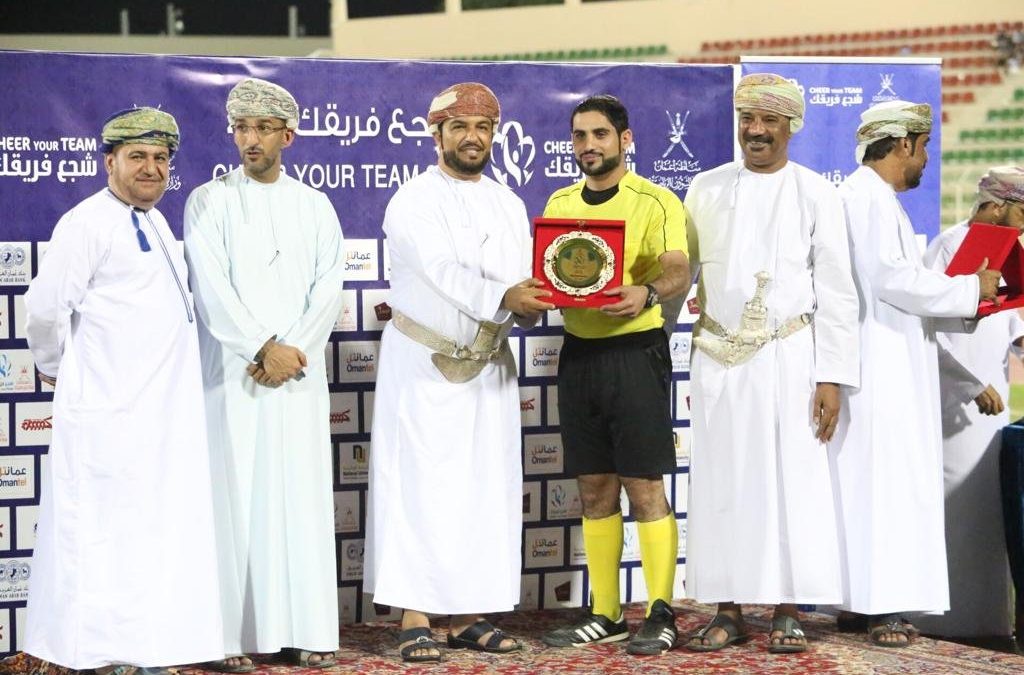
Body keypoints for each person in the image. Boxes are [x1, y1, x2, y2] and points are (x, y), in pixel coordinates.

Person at [23, 107, 224, 674]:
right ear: (109, 161)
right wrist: (58, 369)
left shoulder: (156, 222)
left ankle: (143, 651)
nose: (151, 168)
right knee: (103, 539)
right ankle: (95, 655)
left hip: (161, 419)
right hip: (107, 415)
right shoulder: (86, 223)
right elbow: (44, 310)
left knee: (149, 536)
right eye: (137, 157)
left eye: (161, 158)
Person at [364, 81, 553, 664]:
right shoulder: (413, 199)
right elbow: (443, 271)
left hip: (490, 365)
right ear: (437, 133)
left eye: (483, 128)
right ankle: (416, 617)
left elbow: (520, 278)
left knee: (484, 490)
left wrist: (534, 301)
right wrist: (506, 297)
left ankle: (469, 615)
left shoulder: (508, 203)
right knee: (420, 488)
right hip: (426, 366)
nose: (473, 138)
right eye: (461, 127)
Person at [682, 73, 860, 654]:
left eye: (769, 120)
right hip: (718, 359)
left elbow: (838, 292)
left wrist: (832, 377)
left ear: (792, 126)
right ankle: (727, 608)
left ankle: (787, 608)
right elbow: (682, 271)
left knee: (792, 481)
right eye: (748, 119)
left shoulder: (817, 192)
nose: (756, 131)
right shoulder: (704, 188)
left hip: (789, 356)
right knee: (722, 479)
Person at [184, 77, 345, 672]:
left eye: (263, 129)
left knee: (299, 500)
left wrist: (292, 351)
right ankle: (228, 637)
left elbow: (329, 287)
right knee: (234, 501)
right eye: (242, 128)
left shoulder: (315, 205)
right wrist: (262, 346)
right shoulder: (208, 201)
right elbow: (211, 288)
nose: (250, 139)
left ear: (287, 136)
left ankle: (304, 631)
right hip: (235, 375)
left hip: (295, 378)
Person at [832, 100, 1001, 647]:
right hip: (877, 371)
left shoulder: (874, 199)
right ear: (903, 143)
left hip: (887, 362)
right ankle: (881, 607)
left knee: (873, 487)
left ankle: (861, 603)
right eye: (924, 146)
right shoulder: (867, 200)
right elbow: (893, 281)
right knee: (883, 488)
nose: (926, 158)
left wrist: (969, 299)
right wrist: (970, 289)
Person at [539, 95, 690, 656]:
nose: (589, 145)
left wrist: (647, 291)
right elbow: (551, 270)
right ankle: (606, 613)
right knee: (593, 486)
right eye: (580, 136)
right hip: (578, 353)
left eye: (600, 134)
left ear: (624, 140)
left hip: (635, 353)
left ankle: (661, 611)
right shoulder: (558, 201)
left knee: (644, 485)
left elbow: (678, 269)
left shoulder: (656, 199)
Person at [914, 166, 1024, 639]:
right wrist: (970, 385)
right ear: (995, 206)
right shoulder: (946, 248)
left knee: (986, 513)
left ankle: (986, 624)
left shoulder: (1013, 252)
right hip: (948, 405)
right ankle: (937, 621)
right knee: (949, 508)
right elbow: (924, 330)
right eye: (1022, 213)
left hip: (993, 411)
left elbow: (1015, 327)